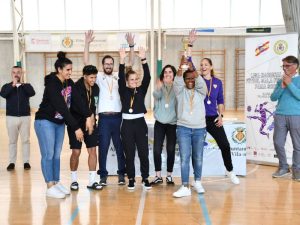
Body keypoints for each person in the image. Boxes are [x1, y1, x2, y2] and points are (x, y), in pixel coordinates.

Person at [35, 52, 90, 199]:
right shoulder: (52, 84)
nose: (70, 72)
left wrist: (89, 115)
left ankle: (56, 182)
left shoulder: (69, 83)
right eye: (67, 70)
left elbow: (78, 100)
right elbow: (62, 108)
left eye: (71, 69)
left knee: (56, 155)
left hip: (59, 123)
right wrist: (77, 127)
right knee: (48, 154)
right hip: (45, 121)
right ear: (59, 69)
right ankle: (49, 185)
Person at [84, 30, 126, 186]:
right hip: (103, 119)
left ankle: (122, 174)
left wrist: (130, 48)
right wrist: (87, 43)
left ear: (113, 65)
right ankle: (103, 176)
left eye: (111, 64)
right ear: (102, 65)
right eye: (106, 64)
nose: (108, 66)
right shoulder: (99, 77)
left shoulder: (118, 76)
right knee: (103, 148)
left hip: (117, 117)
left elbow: (133, 63)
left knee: (119, 146)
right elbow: (86, 62)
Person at [200, 57, 240, 184]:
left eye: (206, 64)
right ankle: (196, 178)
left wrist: (220, 116)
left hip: (213, 119)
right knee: (196, 149)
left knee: (225, 145)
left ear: (211, 67)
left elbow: (221, 101)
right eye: (201, 65)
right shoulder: (197, 80)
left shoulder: (217, 82)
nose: (203, 67)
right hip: (198, 119)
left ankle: (230, 170)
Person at [118, 47, 152, 190]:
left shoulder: (141, 90)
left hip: (139, 123)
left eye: (136, 79)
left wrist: (143, 59)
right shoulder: (123, 90)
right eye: (131, 79)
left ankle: (145, 178)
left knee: (143, 153)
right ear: (127, 81)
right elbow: (120, 77)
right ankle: (131, 178)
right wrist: (121, 60)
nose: (134, 81)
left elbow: (148, 77)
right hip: (126, 125)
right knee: (129, 153)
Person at [172, 65, 207, 198]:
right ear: (184, 80)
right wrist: (181, 65)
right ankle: (185, 186)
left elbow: (200, 81)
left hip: (199, 129)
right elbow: (178, 80)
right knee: (184, 158)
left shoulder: (201, 92)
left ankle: (197, 182)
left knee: (198, 157)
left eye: (193, 78)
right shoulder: (179, 92)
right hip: (183, 128)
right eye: (188, 79)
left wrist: (193, 68)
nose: (190, 80)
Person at [69, 65, 102, 191]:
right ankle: (73, 180)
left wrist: (92, 120)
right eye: (91, 77)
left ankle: (92, 181)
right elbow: (78, 107)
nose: (93, 80)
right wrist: (88, 118)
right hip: (76, 124)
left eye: (95, 77)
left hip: (91, 123)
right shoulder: (76, 88)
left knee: (92, 150)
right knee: (76, 152)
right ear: (84, 76)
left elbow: (94, 105)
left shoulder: (96, 88)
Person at [270, 55, 300, 181]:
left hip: (296, 115)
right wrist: (282, 86)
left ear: (295, 66)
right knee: (278, 142)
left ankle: (297, 169)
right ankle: (283, 167)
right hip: (280, 115)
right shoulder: (280, 81)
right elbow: (273, 97)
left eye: (287, 66)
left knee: (297, 145)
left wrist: (289, 84)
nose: (284, 68)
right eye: (283, 66)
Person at [0, 66, 35, 171]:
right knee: (12, 141)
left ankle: (26, 162)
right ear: (11, 74)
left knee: (25, 140)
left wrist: (22, 84)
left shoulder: (27, 86)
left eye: (18, 72)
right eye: (14, 72)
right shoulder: (6, 86)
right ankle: (12, 162)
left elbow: (32, 93)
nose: (16, 74)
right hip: (11, 117)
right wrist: (13, 85)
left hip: (25, 117)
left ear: (22, 74)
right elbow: (3, 94)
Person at [151, 65, 177, 185]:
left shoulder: (177, 87)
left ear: (173, 74)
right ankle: (158, 176)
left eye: (170, 72)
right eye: (165, 72)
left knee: (171, 149)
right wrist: (158, 88)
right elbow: (156, 96)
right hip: (160, 123)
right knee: (157, 150)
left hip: (172, 123)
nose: (167, 74)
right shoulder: (159, 86)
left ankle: (169, 175)